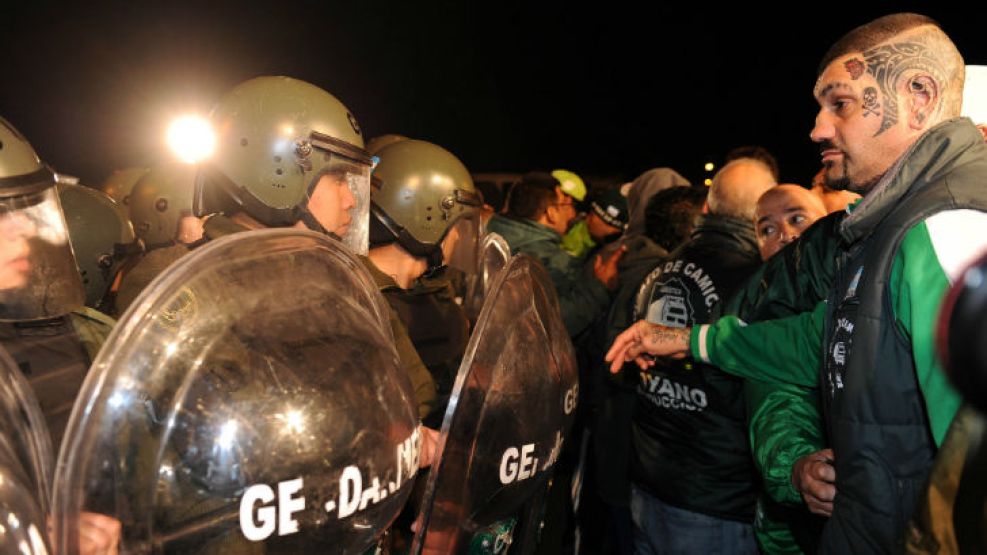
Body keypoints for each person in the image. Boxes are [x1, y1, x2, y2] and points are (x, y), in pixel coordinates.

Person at [607, 13, 987, 552]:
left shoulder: (950, 225)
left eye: (841, 103)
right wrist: (685, 339)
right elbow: (826, 338)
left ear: (918, 96)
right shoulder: (891, 226)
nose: (817, 128)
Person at [622, 157, 774, 554]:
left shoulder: (661, 266)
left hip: (650, 478)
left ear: (707, 205)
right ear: (763, 212)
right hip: (715, 497)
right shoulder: (760, 281)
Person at [487, 172, 622, 336]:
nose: (573, 214)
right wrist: (598, 289)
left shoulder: (488, 236)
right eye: (567, 205)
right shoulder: (554, 261)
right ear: (551, 213)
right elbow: (552, 324)